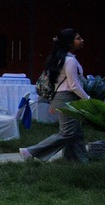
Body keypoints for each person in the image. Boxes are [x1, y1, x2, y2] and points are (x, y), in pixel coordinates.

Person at [22, 28, 92, 162]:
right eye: (78, 38)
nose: (82, 40)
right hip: (67, 98)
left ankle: (78, 161)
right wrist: (88, 99)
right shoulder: (69, 60)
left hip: (64, 98)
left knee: (76, 133)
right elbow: (74, 85)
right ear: (69, 43)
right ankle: (31, 152)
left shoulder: (63, 58)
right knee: (67, 132)